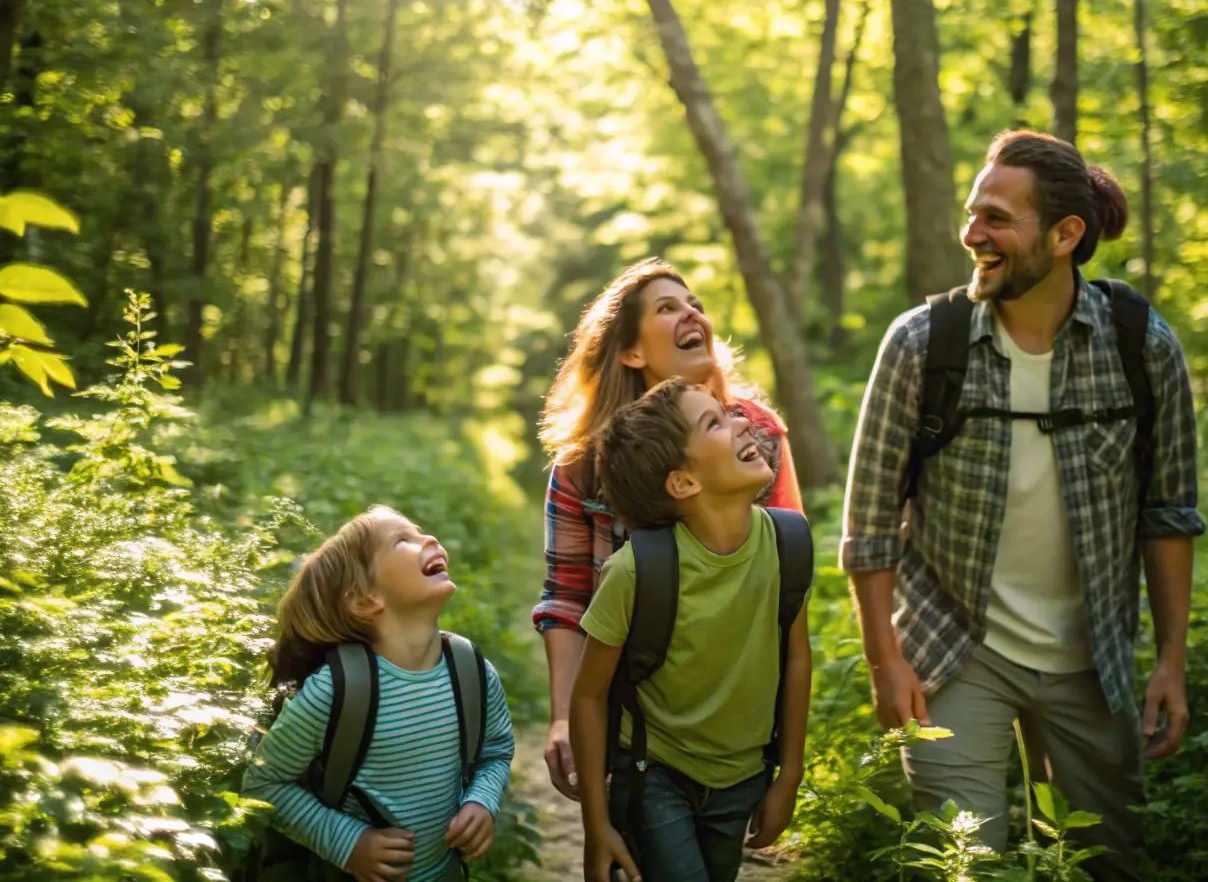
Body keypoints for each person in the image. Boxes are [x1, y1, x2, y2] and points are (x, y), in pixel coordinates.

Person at [841, 129, 1205, 882]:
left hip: (1093, 660)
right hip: (953, 651)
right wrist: (885, 661)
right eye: (972, 214)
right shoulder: (920, 346)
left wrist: (1171, 661)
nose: (973, 234)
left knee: (1103, 865)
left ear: (1065, 235)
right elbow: (868, 525)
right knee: (964, 865)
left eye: (997, 219)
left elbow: (1168, 514)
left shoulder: (1141, 347)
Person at [534, 258, 804, 801]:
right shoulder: (583, 465)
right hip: (625, 704)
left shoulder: (758, 435)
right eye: (667, 308)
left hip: (732, 716)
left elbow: (787, 582)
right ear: (631, 352)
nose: (692, 314)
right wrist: (565, 717)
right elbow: (567, 599)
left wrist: (786, 752)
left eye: (695, 305)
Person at [570, 377, 812, 882]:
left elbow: (796, 658)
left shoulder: (788, 544)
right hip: (654, 774)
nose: (742, 422)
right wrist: (596, 825)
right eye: (715, 423)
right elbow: (589, 695)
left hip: (743, 776)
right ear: (683, 483)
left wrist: (790, 775)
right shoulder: (635, 572)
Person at [243, 506, 516, 882]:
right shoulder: (334, 692)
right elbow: (263, 783)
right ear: (364, 600)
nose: (430, 539)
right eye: (403, 540)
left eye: (420, 531)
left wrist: (482, 800)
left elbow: (495, 752)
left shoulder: (472, 671)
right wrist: (348, 844)